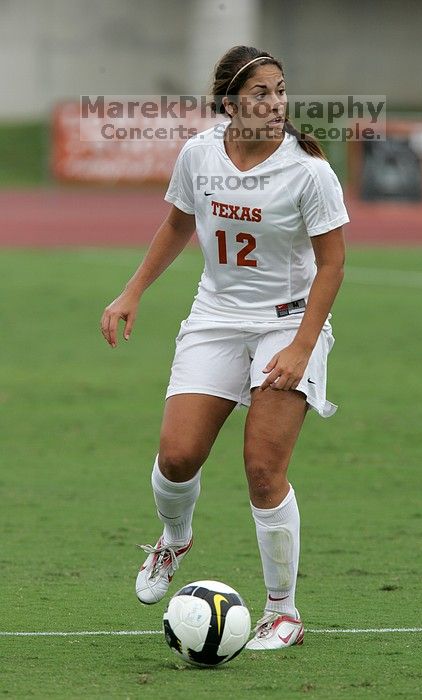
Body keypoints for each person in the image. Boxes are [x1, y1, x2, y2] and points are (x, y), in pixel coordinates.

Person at [100, 45, 349, 651]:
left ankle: (283, 612)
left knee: (264, 471)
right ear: (230, 102)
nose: (275, 103)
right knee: (177, 456)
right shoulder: (200, 154)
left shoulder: (309, 170)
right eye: (261, 93)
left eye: (280, 91)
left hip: (286, 325)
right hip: (214, 318)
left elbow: (332, 263)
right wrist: (132, 292)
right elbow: (178, 223)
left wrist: (300, 346)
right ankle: (174, 537)